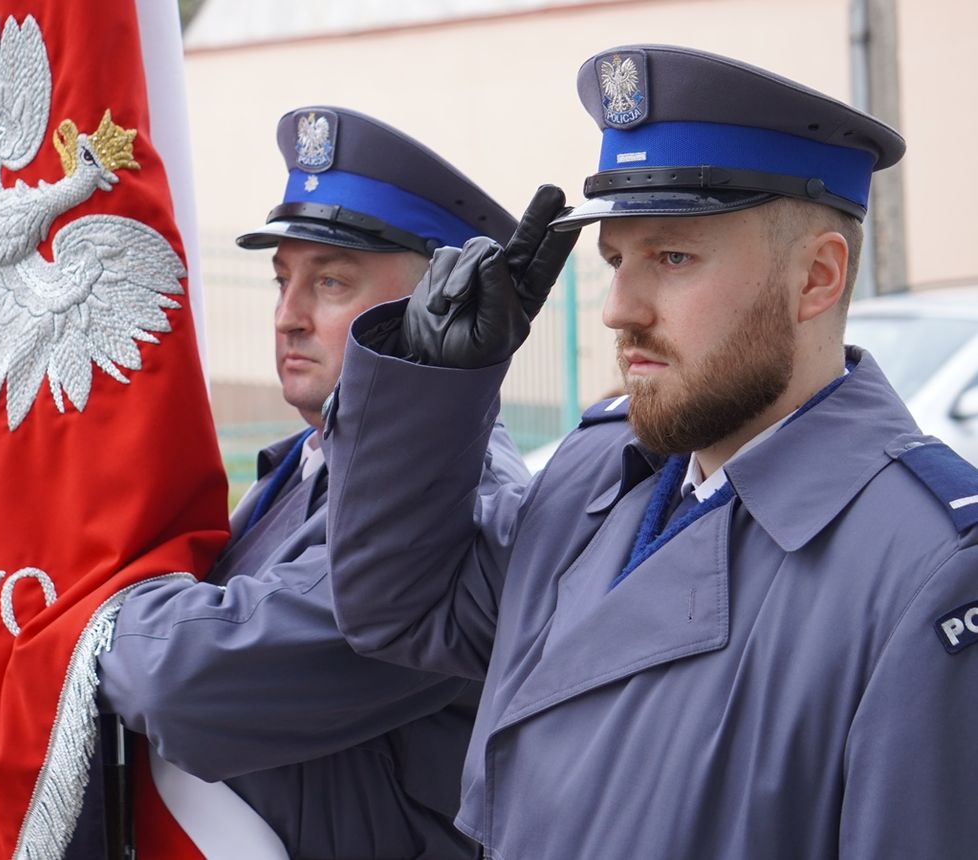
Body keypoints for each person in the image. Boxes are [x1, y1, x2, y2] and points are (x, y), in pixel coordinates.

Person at [323, 44, 978, 857]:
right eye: (612, 261)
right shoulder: (602, 471)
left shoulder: (927, 565)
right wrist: (432, 386)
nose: (619, 308)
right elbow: (400, 608)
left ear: (817, 278)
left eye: (672, 257)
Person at [96, 106, 527, 858]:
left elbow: (191, 687)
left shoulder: (461, 507)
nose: (288, 317)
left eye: (329, 283)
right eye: (281, 281)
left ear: (442, 304)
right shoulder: (305, 460)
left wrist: (97, 607)